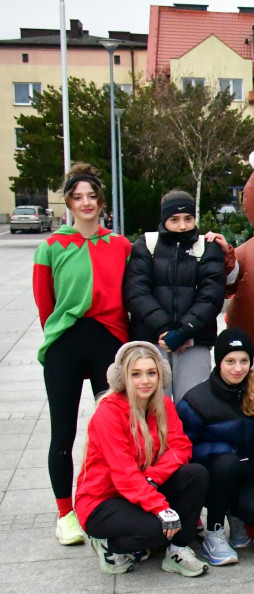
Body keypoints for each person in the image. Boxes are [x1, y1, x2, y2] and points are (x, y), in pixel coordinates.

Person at [33, 163, 133, 546]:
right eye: (78, 197)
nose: (85, 202)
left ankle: (110, 499)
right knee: (64, 431)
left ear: (101, 201)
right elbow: (46, 305)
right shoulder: (51, 247)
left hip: (108, 344)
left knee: (114, 431)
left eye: (91, 196)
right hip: (65, 347)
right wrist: (57, 340)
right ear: (69, 203)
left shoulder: (120, 245)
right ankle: (65, 514)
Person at [75, 342, 210, 576]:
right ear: (123, 377)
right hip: (104, 499)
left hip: (142, 488)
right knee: (155, 530)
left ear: (160, 375)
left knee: (195, 474)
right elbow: (123, 473)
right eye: (136, 374)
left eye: (151, 373)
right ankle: (109, 543)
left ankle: (177, 550)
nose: (145, 381)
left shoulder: (163, 405)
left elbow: (180, 447)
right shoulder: (107, 413)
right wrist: (161, 508)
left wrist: (153, 477)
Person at [177, 328, 254, 566]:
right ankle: (214, 533)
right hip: (212, 475)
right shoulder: (195, 401)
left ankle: (237, 515)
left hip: (249, 474)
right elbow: (182, 448)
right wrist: (222, 452)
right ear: (219, 362)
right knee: (227, 462)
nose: (238, 368)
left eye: (244, 361)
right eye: (230, 361)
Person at [124, 190, 226, 400]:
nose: (182, 226)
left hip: (194, 342)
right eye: (174, 219)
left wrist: (183, 331)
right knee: (152, 406)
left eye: (188, 219)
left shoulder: (208, 247)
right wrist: (164, 330)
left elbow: (211, 295)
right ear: (164, 220)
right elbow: (136, 291)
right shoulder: (146, 245)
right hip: (153, 341)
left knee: (193, 405)